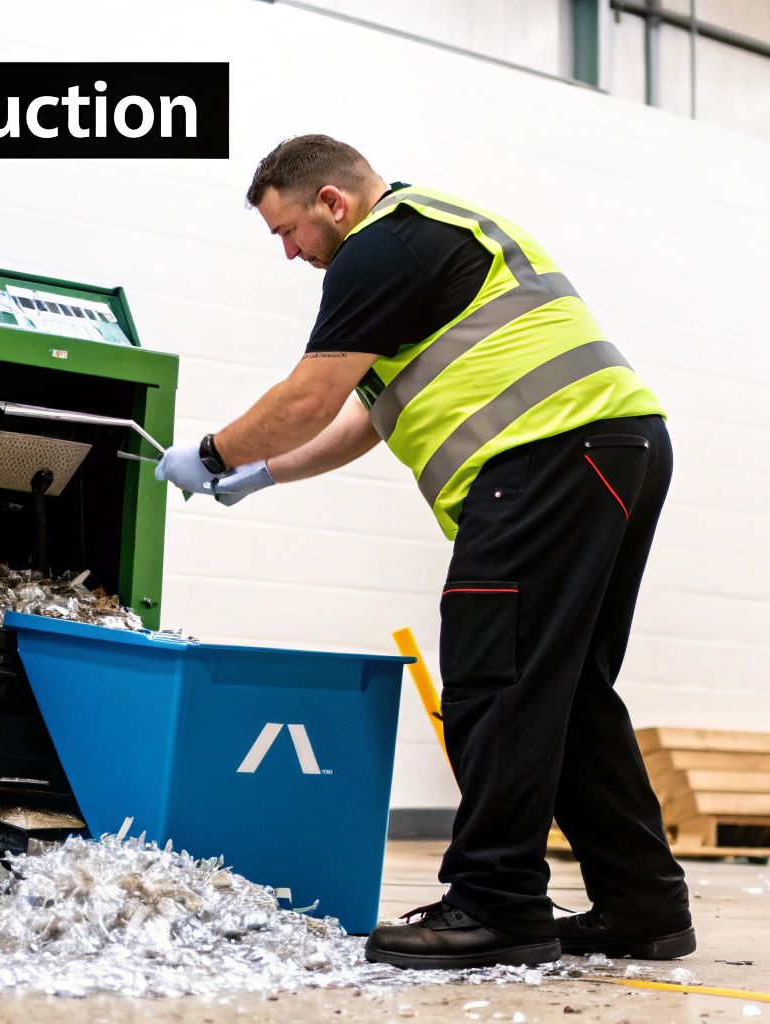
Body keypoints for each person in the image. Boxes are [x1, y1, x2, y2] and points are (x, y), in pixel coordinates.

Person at [155, 135, 692, 970]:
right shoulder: (427, 238)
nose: (291, 253)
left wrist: (214, 451)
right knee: (567, 688)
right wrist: (262, 475)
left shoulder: (377, 251)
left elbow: (307, 396)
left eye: (288, 232)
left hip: (545, 454)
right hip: (612, 447)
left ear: (332, 202)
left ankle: (497, 904)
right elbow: (363, 419)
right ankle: (642, 904)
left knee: (495, 679)